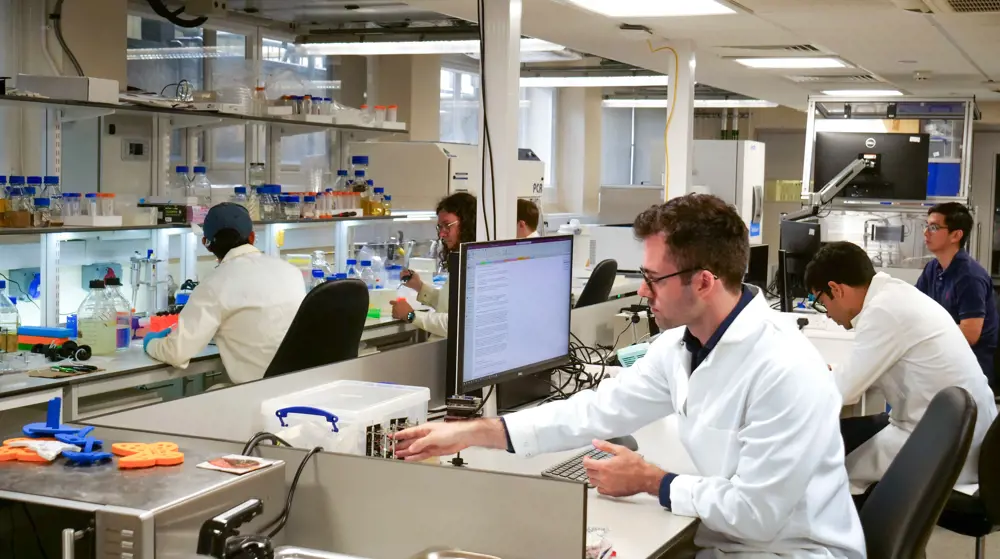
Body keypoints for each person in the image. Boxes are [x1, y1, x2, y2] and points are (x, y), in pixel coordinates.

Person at [393, 194, 865, 558]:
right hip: (728, 543)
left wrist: (651, 480)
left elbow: (756, 515)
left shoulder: (784, 369)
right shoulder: (684, 346)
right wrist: (475, 432)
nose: (642, 290)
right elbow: (597, 409)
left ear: (703, 281)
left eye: (653, 277)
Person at [804, 241, 997, 495]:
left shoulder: (882, 312)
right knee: (845, 441)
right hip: (967, 436)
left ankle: (873, 534)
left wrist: (799, 381)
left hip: (947, 446)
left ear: (835, 289)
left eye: (821, 303)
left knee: (837, 474)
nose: (827, 314)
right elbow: (865, 370)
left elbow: (843, 391)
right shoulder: (894, 295)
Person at [144, 203, 306, 384]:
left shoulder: (215, 284)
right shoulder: (291, 271)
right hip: (301, 387)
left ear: (207, 244)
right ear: (252, 237)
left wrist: (150, 342)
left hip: (260, 392)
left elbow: (176, 352)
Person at [915, 202, 998, 383]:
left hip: (969, 368)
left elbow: (970, 335)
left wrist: (925, 342)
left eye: (934, 227)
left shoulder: (970, 277)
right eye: (926, 226)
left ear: (956, 235)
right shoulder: (932, 268)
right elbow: (914, 307)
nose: (926, 232)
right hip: (942, 358)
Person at [390, 192, 476, 337]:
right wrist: (420, 287)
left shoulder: (474, 267)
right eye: (440, 227)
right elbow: (450, 306)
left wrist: (411, 315)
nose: (442, 234)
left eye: (447, 225)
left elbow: (457, 324)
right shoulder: (463, 259)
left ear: (467, 224)